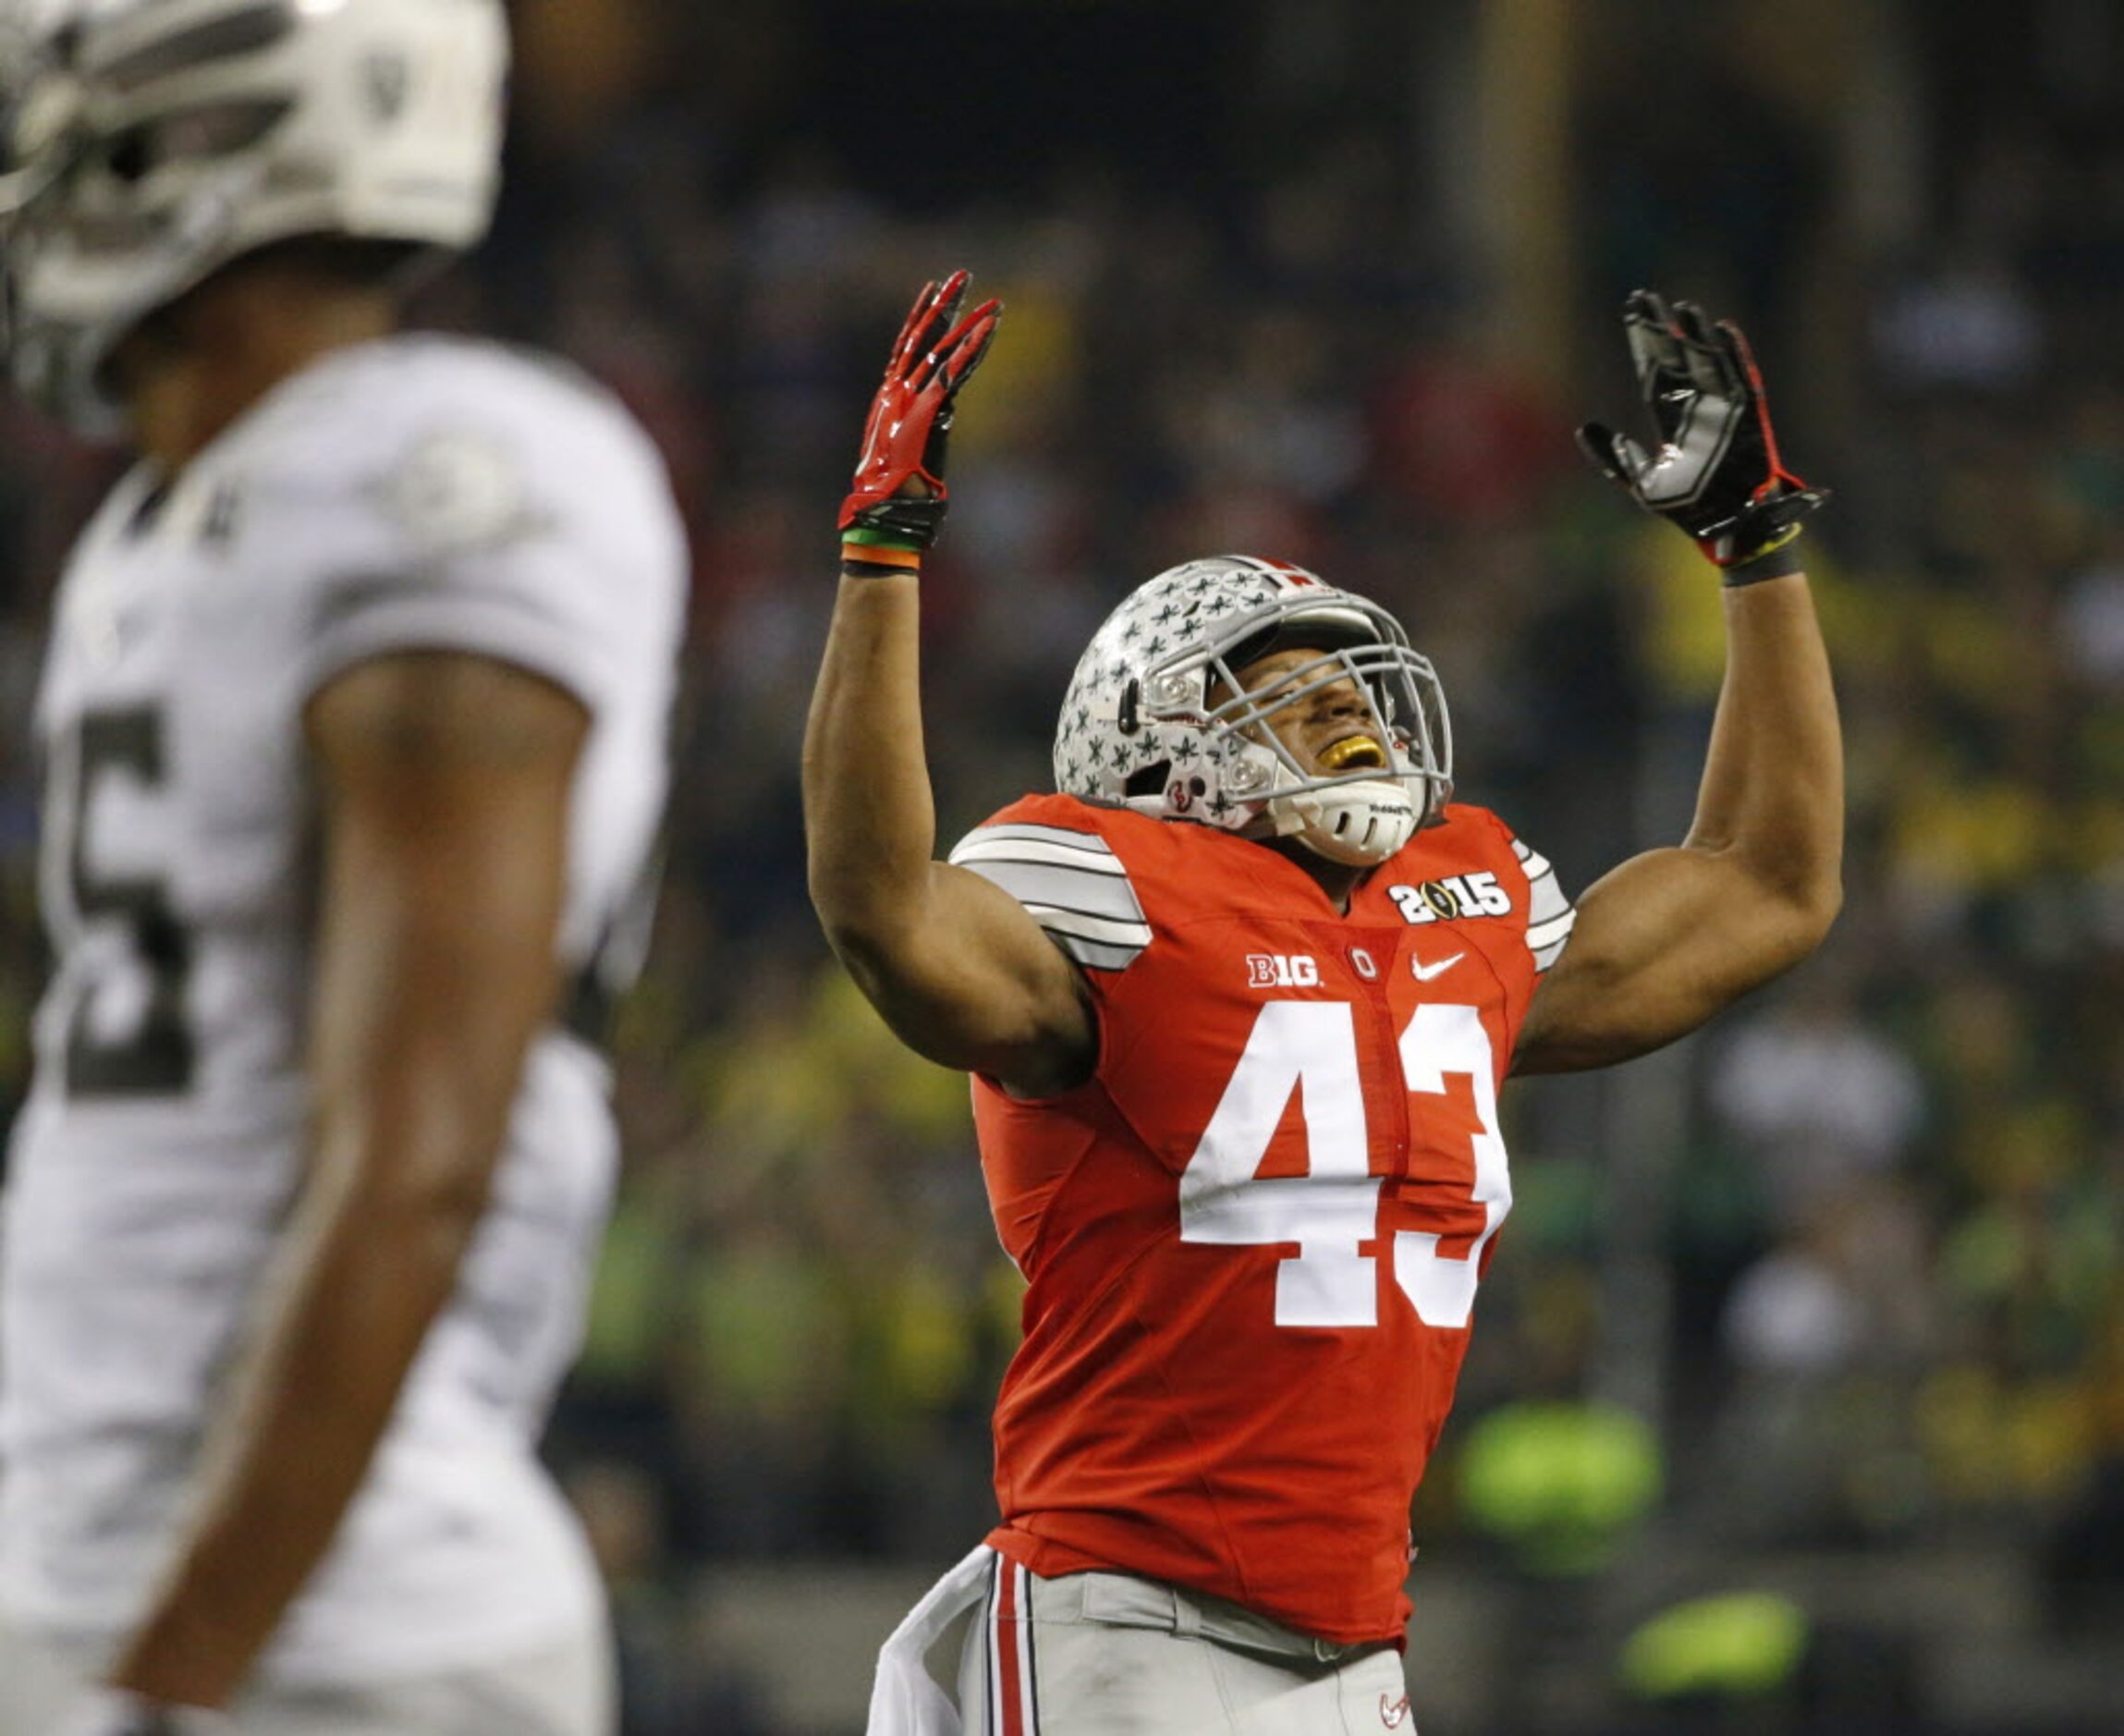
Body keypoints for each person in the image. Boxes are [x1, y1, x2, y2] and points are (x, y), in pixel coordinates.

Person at [805, 275, 1842, 1734]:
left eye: (1357, 684)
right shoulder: (1103, 882)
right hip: (1126, 1614)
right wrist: (881, 559)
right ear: (1159, 741)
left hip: (1357, 1643)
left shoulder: (1461, 898)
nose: (1351, 712)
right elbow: (882, 911)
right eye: (1291, 695)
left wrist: (1756, 554)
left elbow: (1768, 883)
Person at [0, 3, 687, 1731]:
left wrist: (177, 1681)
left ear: (197, 141)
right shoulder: (173, 516)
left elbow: (420, 1157)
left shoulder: (431, 473)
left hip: (324, 1627)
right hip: (114, 1567)